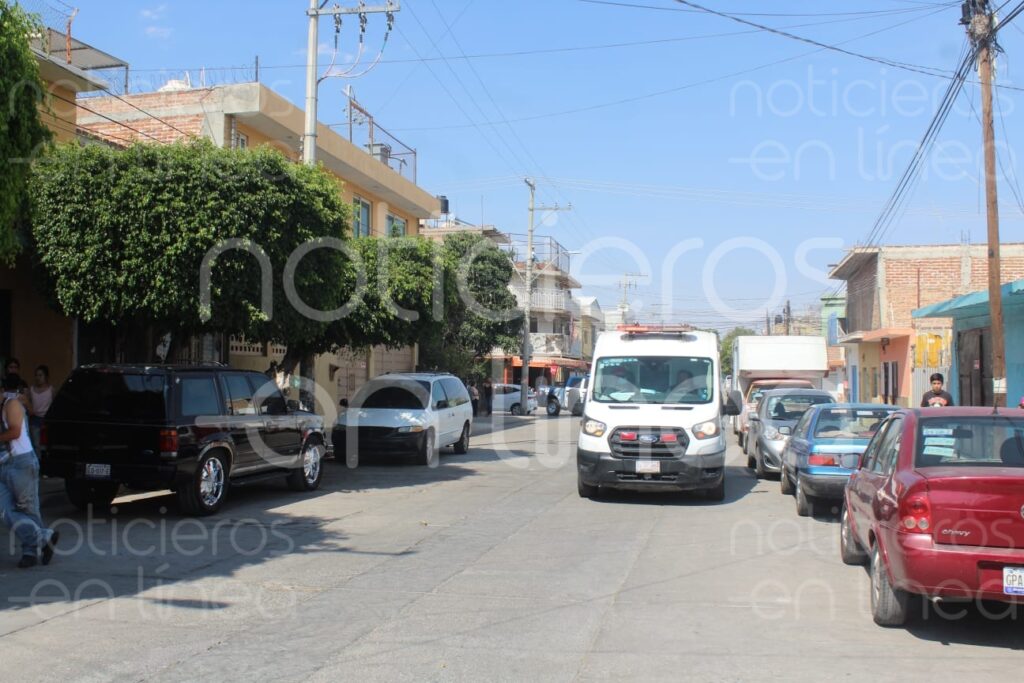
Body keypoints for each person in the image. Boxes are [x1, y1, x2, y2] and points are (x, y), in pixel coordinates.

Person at [0, 373, 59, 568]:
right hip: (4, 464)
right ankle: (44, 536)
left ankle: (29, 552)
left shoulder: (12, 404)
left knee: (28, 508)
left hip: (21, 463)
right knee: (5, 510)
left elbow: (15, 431)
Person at [28, 365, 53, 450]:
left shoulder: (51, 390)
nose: (38, 378)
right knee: (35, 444)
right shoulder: (31, 389)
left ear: (46, 376)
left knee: (47, 444)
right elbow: (29, 404)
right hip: (35, 419)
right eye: (36, 375)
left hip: (47, 419)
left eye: (40, 375)